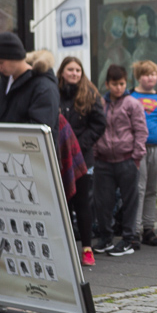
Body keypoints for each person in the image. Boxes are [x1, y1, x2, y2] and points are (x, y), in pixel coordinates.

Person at [93, 65, 149, 256]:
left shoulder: (132, 103)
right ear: (107, 84)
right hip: (103, 160)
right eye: (115, 84)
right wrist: (95, 152)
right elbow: (96, 128)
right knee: (103, 202)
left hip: (127, 159)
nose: (118, 88)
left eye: (122, 84)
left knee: (130, 201)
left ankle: (128, 239)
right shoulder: (101, 104)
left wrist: (137, 156)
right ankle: (106, 237)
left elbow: (141, 130)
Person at [58, 55, 106, 264]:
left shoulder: (90, 93)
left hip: (82, 159)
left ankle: (87, 248)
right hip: (59, 157)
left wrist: (78, 144)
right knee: (64, 204)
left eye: (78, 70)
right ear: (62, 72)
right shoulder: (54, 93)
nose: (74, 73)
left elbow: (99, 124)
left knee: (83, 203)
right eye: (70, 70)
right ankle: (66, 248)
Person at [0, 32, 61, 130]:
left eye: (0, 62)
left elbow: (38, 131)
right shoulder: (1, 86)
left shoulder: (44, 88)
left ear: (15, 57)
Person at [130, 61, 157, 247]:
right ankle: (134, 230)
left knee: (152, 189)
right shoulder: (130, 96)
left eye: (153, 74)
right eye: (146, 74)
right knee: (139, 188)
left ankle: (149, 228)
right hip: (137, 148)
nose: (150, 77)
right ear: (138, 77)